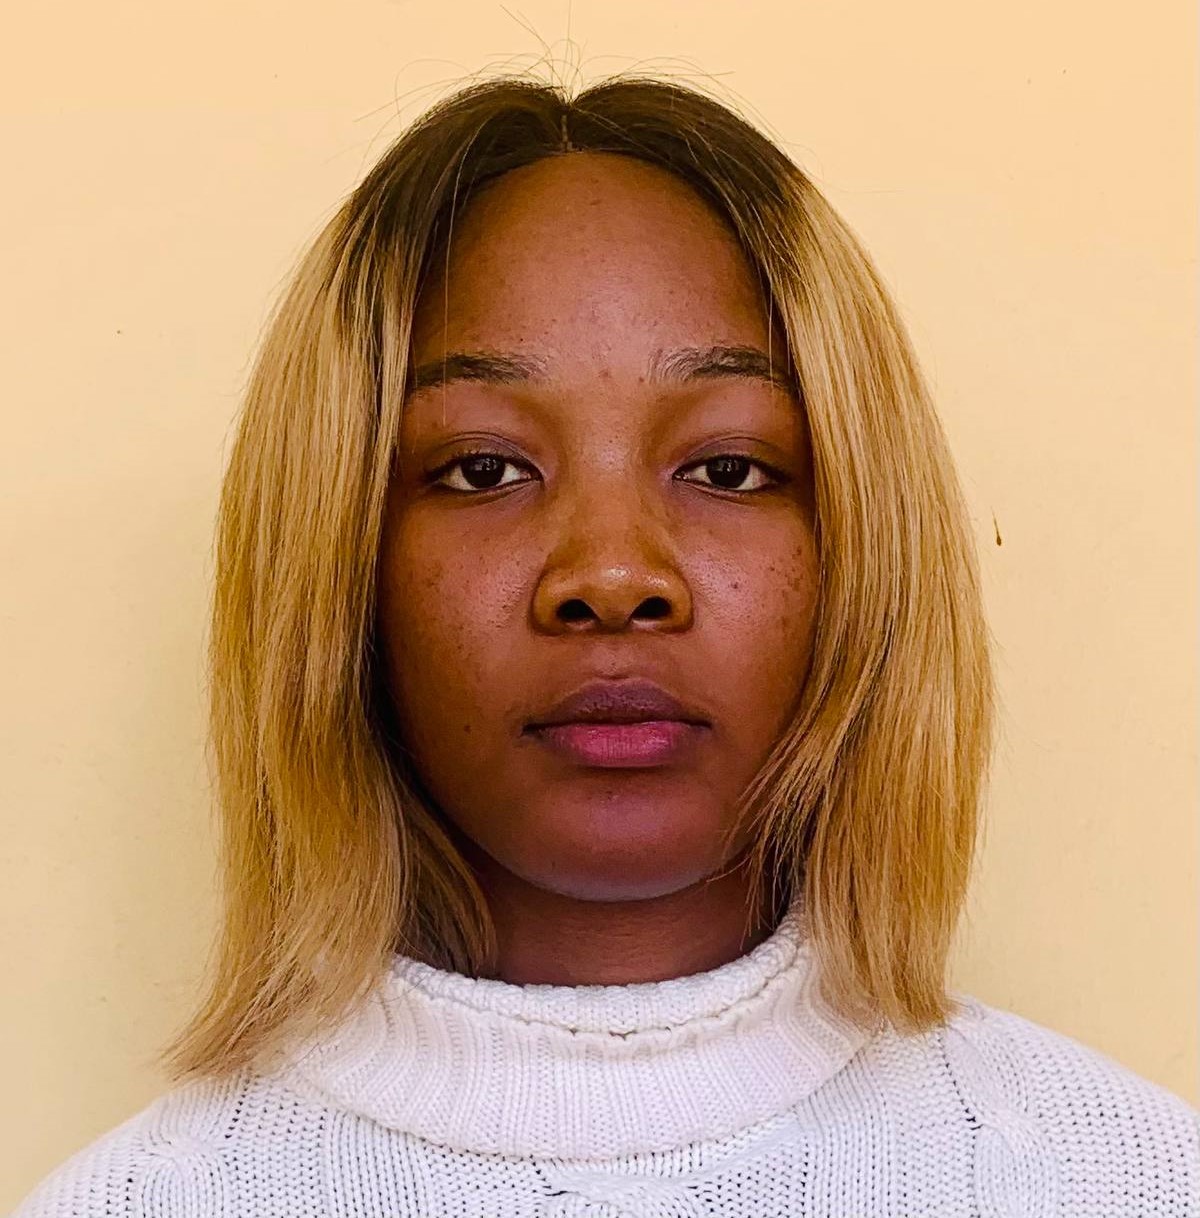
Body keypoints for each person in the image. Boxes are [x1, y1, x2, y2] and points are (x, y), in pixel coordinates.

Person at [12, 73, 1198, 1218]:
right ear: (342, 563)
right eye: (484, 469)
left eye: (726, 468)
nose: (614, 576)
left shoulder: (1128, 1182)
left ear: (860, 547)